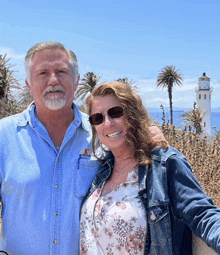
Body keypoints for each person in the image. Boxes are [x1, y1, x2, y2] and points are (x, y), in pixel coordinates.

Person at [80, 81, 220, 255]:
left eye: (115, 112)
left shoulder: (164, 164)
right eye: (98, 118)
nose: (107, 123)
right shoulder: (101, 169)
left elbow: (201, 213)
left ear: (132, 114)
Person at [0, 41, 101, 254]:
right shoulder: (3, 136)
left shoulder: (101, 134)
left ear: (76, 81)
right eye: (43, 73)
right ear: (28, 84)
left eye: (62, 72)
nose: (53, 80)